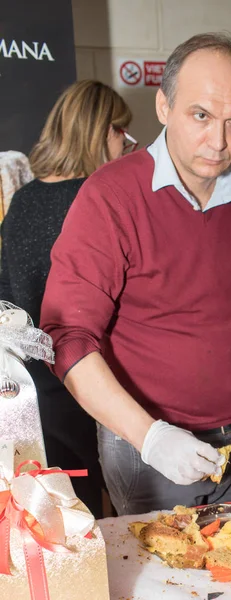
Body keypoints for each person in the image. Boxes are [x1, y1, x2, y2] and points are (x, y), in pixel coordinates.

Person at [40, 33, 231, 516]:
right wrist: (151, 438)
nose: (219, 143)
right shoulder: (110, 196)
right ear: (163, 105)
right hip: (144, 445)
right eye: (201, 116)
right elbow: (67, 337)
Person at [0, 80, 135, 517]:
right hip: (97, 377)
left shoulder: (22, 200)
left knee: (69, 520)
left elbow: (5, 294)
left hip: (37, 388)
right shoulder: (99, 199)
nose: (125, 145)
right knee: (127, 521)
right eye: (122, 133)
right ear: (101, 131)